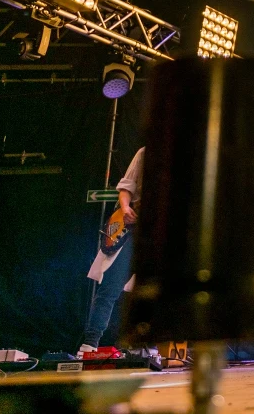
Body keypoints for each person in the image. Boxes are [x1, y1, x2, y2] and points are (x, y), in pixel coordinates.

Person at [78, 147, 142, 355]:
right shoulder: (146, 153)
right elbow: (126, 187)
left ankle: (140, 346)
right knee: (110, 288)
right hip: (131, 229)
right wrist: (125, 208)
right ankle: (89, 344)